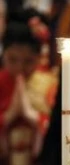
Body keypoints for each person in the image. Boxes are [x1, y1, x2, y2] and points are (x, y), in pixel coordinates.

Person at [0, 8, 57, 164]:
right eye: (12, 60)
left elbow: (59, 129)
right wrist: (7, 117)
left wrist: (34, 117)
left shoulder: (51, 83)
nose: (20, 68)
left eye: (28, 61)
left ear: (39, 57)